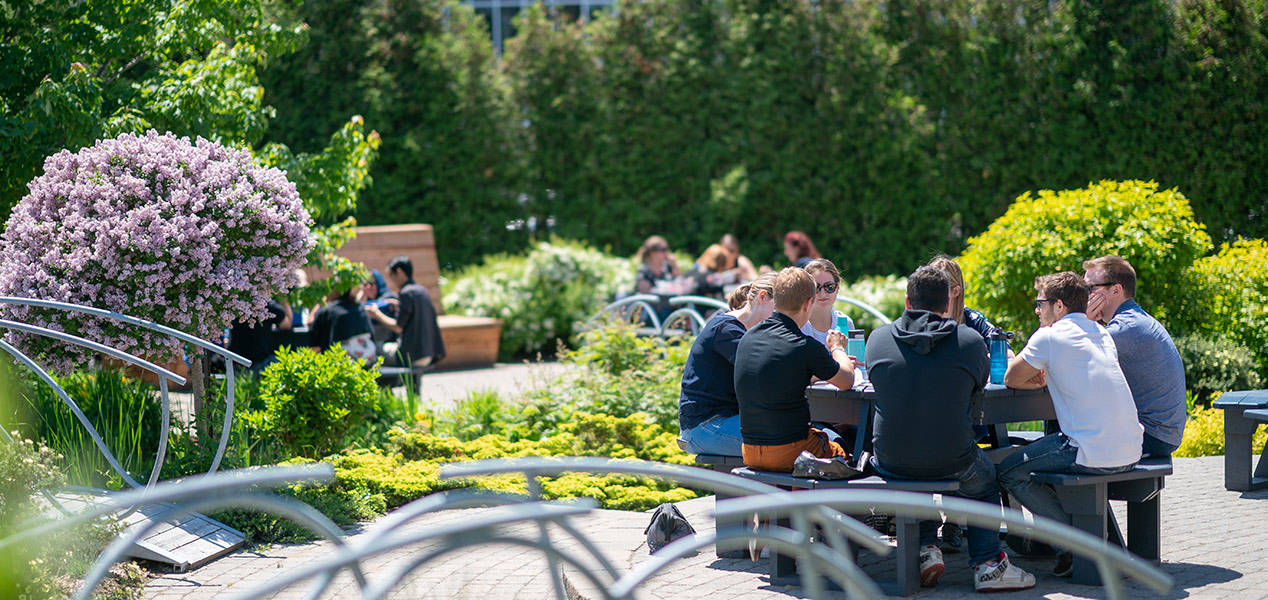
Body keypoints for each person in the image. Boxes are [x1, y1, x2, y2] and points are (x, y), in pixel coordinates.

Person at [867, 266, 1036, 592]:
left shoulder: (877, 339)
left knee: (916, 468)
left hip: (890, 459)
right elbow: (977, 390)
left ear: (906, 300)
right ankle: (988, 565)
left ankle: (926, 548)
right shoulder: (970, 342)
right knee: (984, 480)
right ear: (948, 304)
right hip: (954, 457)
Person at [1000, 271, 1143, 578]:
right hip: (1131, 448)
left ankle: (1075, 545)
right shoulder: (1100, 332)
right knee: (1042, 456)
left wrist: (1036, 380)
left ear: (1060, 306)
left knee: (1009, 471)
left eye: (1040, 304)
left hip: (1090, 450)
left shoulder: (1049, 336)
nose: (1037, 311)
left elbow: (1011, 377)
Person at [734, 267, 857, 472]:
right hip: (792, 451)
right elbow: (847, 381)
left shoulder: (748, 338)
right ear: (809, 303)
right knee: (847, 443)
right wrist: (837, 348)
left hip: (750, 451)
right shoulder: (804, 345)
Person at [1083, 255, 1187, 457]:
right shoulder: (1131, 319)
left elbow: (1069, 357)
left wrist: (1083, 320)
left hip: (1153, 436)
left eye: (1090, 289)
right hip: (1160, 433)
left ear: (1116, 290)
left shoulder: (1125, 328)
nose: (1084, 297)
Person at [678, 273, 777, 456]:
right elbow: (765, 371)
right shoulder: (726, 330)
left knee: (806, 435)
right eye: (780, 309)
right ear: (762, 297)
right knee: (789, 443)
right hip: (704, 426)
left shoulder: (751, 331)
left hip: (727, 420)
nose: (783, 317)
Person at [367, 255, 446, 388]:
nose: (391, 281)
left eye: (391, 275)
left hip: (412, 355)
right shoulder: (421, 290)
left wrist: (376, 313)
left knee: (374, 350)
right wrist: (399, 305)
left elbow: (398, 327)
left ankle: (384, 392)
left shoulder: (406, 293)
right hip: (429, 351)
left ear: (399, 272)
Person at [927, 255, 1003, 339]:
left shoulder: (974, 320)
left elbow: (1004, 350)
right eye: (927, 287)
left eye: (938, 288)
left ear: (955, 291)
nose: (931, 293)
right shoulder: (921, 320)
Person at [309, 288, 376, 366]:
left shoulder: (327, 311)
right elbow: (372, 336)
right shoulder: (360, 308)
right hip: (367, 361)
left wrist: (321, 302)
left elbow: (312, 328)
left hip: (340, 364)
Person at [228, 294, 292, 373]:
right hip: (260, 361)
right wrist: (284, 301)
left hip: (236, 360)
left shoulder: (235, 305)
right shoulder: (270, 306)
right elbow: (287, 324)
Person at [800, 258, 855, 347]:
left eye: (829, 287)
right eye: (816, 288)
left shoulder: (846, 323)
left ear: (837, 288)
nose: (823, 293)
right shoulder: (798, 325)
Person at [362, 269, 399, 353]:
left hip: (391, 342)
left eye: (371, 284)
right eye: (365, 285)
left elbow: (381, 304)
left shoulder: (389, 296)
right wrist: (362, 293)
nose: (368, 287)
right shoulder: (367, 302)